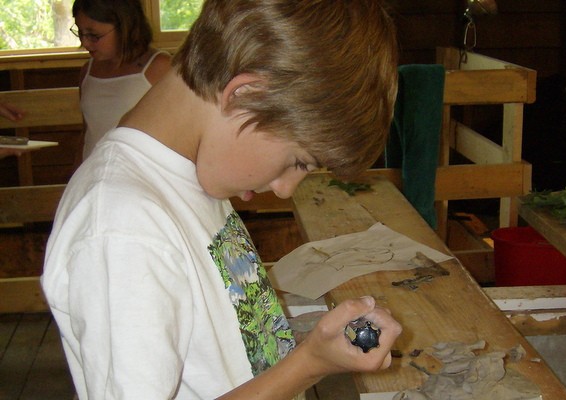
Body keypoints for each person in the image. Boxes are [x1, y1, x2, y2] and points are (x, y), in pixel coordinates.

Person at [42, 1, 402, 399]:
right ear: (243, 96)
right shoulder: (122, 230)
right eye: (297, 161)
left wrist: (314, 336)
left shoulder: (189, 175)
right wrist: (311, 364)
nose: (284, 188)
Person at [71, 0, 171, 159]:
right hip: (94, 174)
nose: (85, 42)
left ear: (125, 26)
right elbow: (87, 135)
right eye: (80, 32)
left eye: (93, 35)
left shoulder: (159, 68)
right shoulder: (88, 71)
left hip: (136, 175)